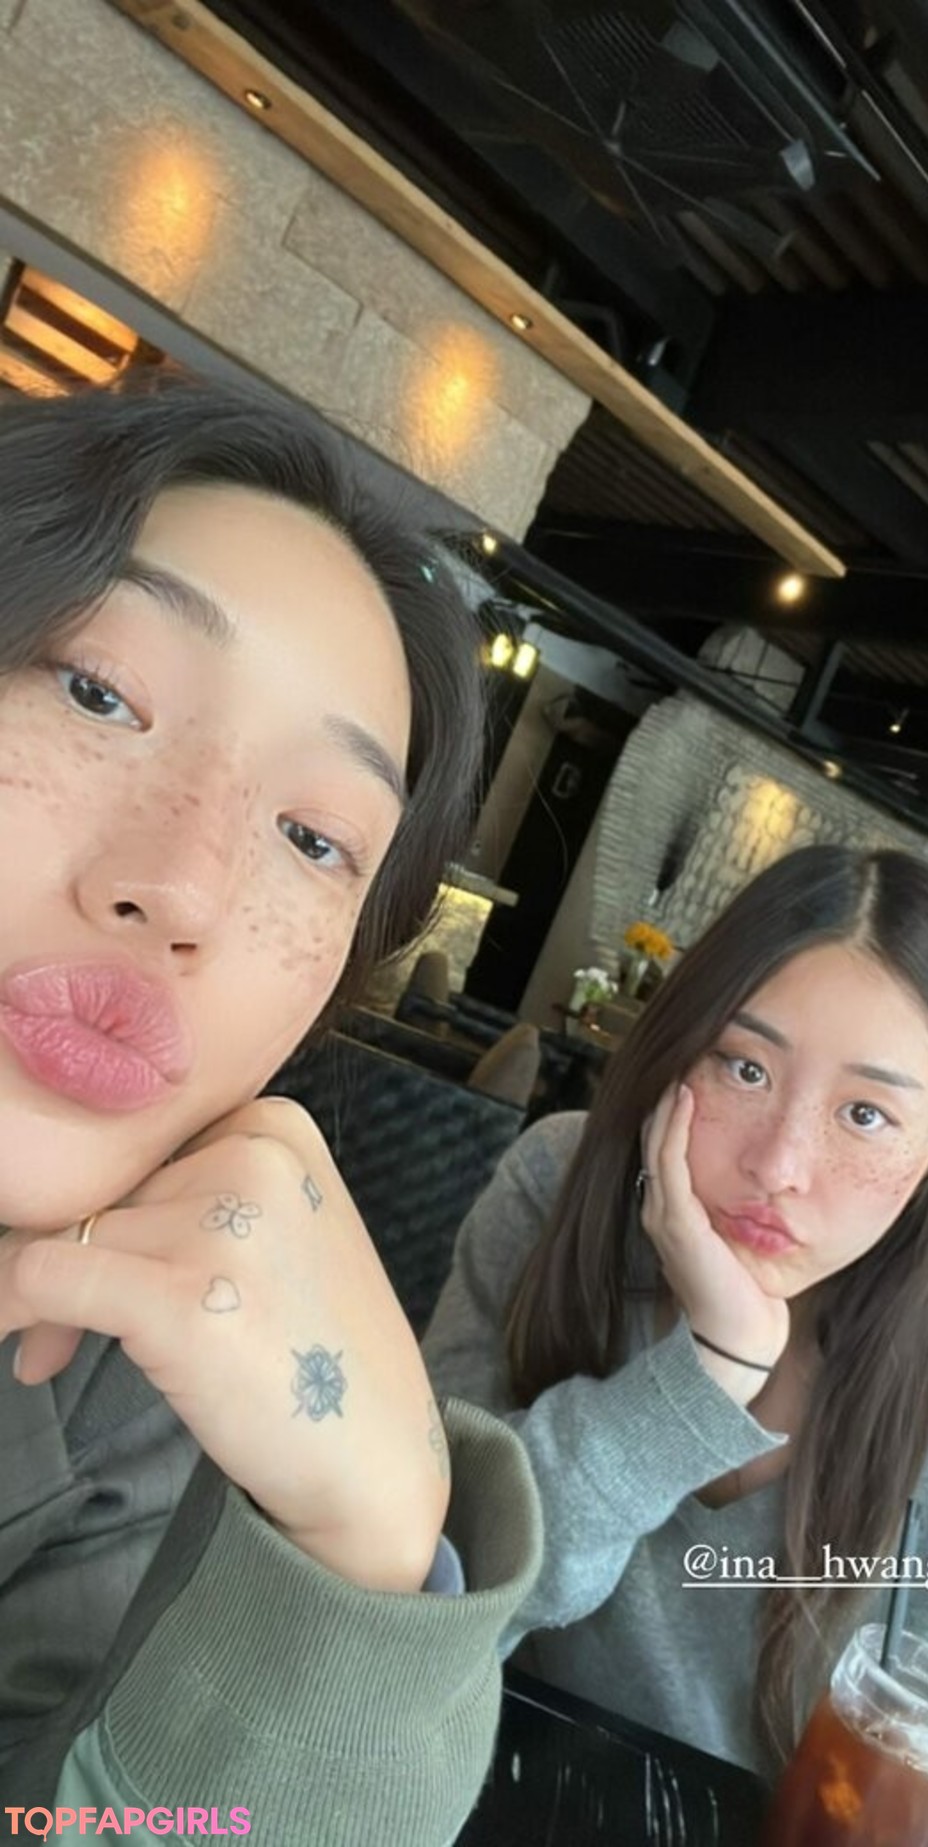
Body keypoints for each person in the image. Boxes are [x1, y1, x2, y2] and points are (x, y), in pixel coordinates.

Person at [0, 372, 540, 1840]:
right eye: (99, 692)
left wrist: (365, 1566)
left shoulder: (138, 1382)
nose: (184, 887)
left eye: (314, 836)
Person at [423, 845, 928, 1845]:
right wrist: (703, 1374)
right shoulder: (559, 1194)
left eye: (866, 1114)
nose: (779, 1164)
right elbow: (418, 1600)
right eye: (745, 1066)